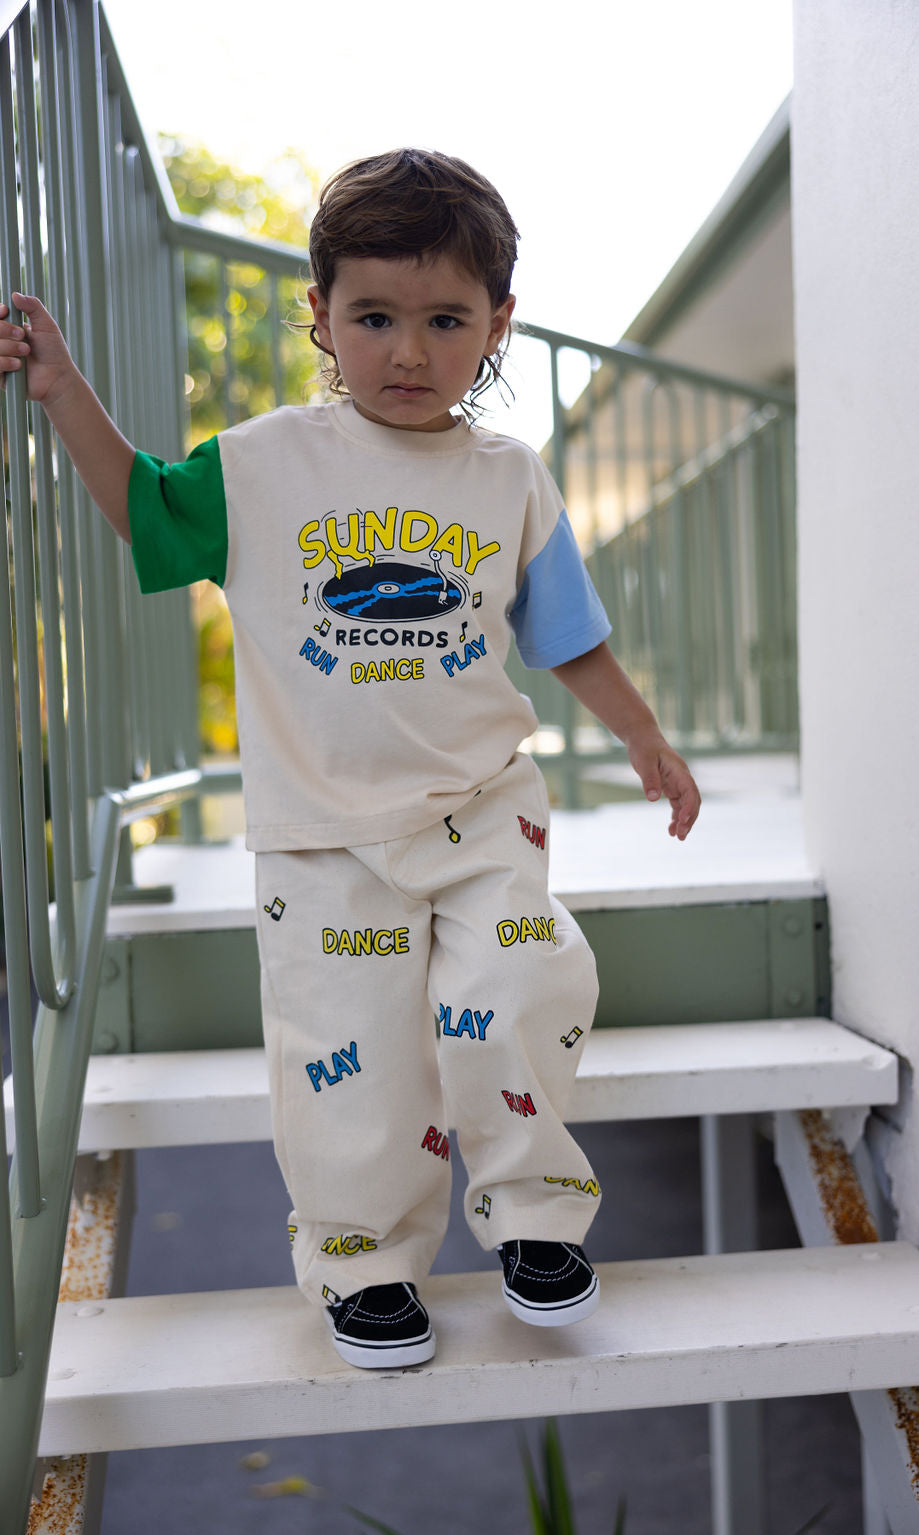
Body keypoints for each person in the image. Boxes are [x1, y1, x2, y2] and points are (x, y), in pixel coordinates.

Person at [0, 148, 701, 1370]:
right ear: (321, 313)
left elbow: (565, 633)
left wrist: (643, 734)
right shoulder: (264, 463)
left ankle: (536, 1221)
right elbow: (146, 510)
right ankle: (364, 1261)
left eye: (446, 321)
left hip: (484, 814)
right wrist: (65, 396)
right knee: (350, 1063)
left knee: (513, 998)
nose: (409, 353)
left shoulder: (505, 478)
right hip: (323, 841)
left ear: (498, 327)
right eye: (374, 318)